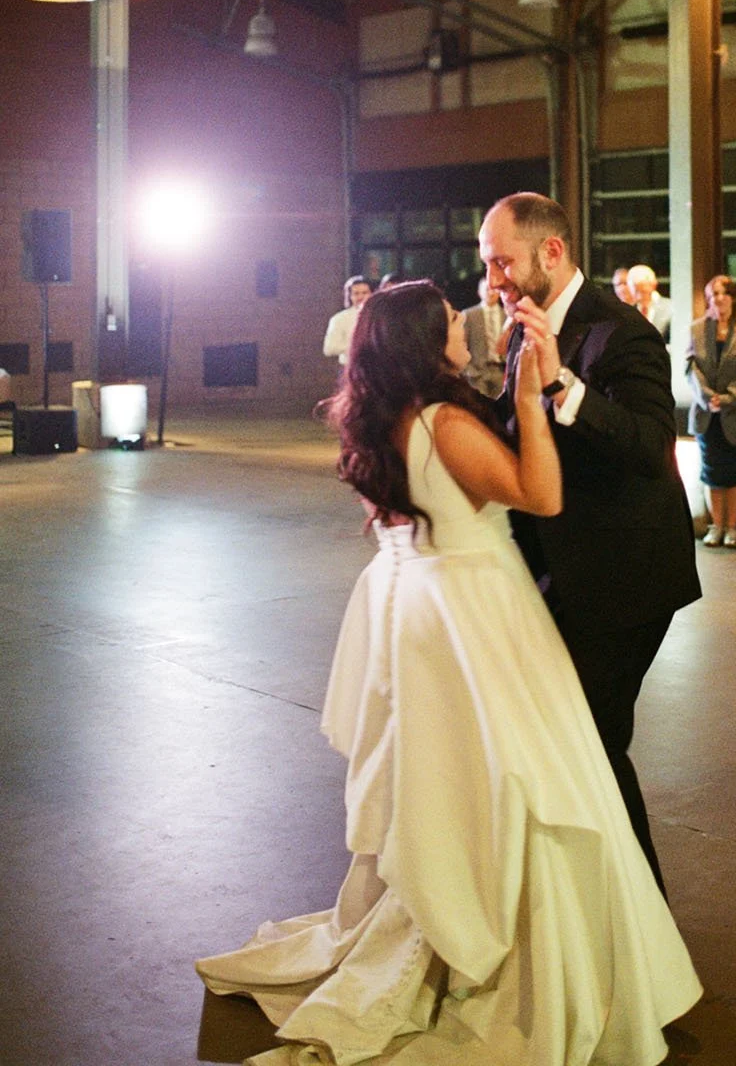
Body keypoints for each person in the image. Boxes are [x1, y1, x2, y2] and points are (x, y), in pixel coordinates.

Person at [197, 282, 701, 1063]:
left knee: (466, 775)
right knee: (525, 779)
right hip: (477, 614)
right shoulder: (441, 422)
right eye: (451, 323)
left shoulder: (385, 417)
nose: (467, 325)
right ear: (427, 343)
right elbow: (541, 493)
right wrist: (531, 397)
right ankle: (523, 949)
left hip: (423, 602)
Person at [478, 194, 700, 892]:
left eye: (502, 262)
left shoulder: (622, 332)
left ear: (551, 251)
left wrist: (562, 384)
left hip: (626, 577)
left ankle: (645, 923)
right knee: (568, 741)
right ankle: (594, 915)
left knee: (595, 743)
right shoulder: (525, 325)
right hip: (563, 572)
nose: (494, 281)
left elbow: (649, 444)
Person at [687, 275, 736, 547]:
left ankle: (732, 527)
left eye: (723, 293)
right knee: (712, 472)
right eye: (713, 294)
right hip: (707, 413)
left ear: (733, 297)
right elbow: (691, 369)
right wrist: (708, 397)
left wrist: (729, 398)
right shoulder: (697, 330)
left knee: (735, 472)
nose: (718, 299)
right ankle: (716, 526)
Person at [462, 275, 508, 399]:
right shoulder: (469, 315)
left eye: (494, 289)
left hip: (500, 371)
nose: (490, 292)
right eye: (486, 289)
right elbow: (462, 344)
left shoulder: (507, 315)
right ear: (479, 292)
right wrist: (469, 371)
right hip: (477, 373)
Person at [322, 275, 373, 365]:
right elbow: (329, 348)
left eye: (365, 293)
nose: (360, 297)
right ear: (350, 296)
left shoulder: (380, 316)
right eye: (356, 293)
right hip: (349, 368)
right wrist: (357, 347)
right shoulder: (339, 318)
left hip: (376, 369)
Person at [627, 263, 672, 341]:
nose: (639, 296)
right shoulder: (629, 311)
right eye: (636, 291)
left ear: (654, 285)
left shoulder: (670, 307)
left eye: (643, 291)